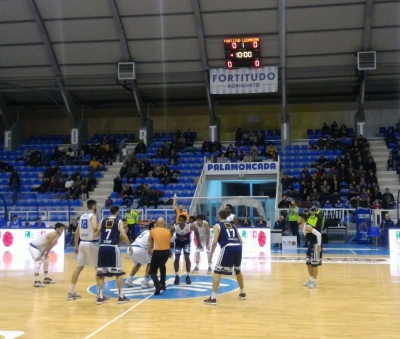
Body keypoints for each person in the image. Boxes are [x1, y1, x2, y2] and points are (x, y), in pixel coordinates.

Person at [204, 210, 246, 306]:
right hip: (238, 247)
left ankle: (213, 298)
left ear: (218, 216)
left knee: (217, 272)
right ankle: (242, 293)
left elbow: (214, 242)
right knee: (238, 270)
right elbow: (241, 240)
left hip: (227, 247)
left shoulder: (217, 225)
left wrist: (211, 254)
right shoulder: (233, 225)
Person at [96, 205, 132, 305]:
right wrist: (130, 246)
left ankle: (100, 297)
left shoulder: (103, 220)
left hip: (102, 247)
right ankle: (121, 297)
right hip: (112, 247)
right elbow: (123, 236)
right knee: (118, 273)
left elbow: (95, 234)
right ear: (118, 212)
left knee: (101, 274)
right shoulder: (119, 221)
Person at [67, 200, 100, 301]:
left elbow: (76, 232)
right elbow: (95, 228)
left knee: (78, 268)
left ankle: (71, 292)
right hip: (92, 243)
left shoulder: (82, 216)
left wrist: (76, 245)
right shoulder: (93, 216)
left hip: (82, 243)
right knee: (98, 268)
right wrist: (101, 225)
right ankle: (100, 294)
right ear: (94, 206)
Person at [29, 223, 65, 287]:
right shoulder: (53, 234)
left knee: (46, 260)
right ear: (57, 229)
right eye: (61, 229)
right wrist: (41, 256)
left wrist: (46, 254)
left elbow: (51, 245)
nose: (62, 231)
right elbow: (48, 245)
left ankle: (46, 278)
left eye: (63, 229)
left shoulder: (59, 234)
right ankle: (36, 281)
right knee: (38, 262)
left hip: (40, 248)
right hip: (34, 247)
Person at [170, 215, 201, 285]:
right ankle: (176, 275)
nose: (180, 221)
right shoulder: (174, 227)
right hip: (178, 243)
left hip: (186, 242)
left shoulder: (190, 226)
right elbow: (170, 234)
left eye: (181, 220)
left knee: (187, 257)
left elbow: (196, 231)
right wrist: (169, 244)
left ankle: (188, 275)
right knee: (177, 258)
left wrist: (198, 242)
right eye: (179, 220)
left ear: (185, 221)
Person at [125, 222, 155, 289]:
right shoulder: (151, 234)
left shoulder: (145, 232)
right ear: (152, 228)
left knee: (138, 264)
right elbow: (149, 249)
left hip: (131, 249)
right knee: (151, 262)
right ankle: (145, 282)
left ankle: (129, 279)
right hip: (139, 249)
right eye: (156, 226)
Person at [298, 213, 322, 289]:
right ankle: (311, 279)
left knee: (314, 264)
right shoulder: (302, 227)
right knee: (308, 263)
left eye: (298, 218)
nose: (297, 220)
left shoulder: (307, 226)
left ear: (302, 219)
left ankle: (314, 282)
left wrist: (319, 245)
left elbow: (319, 234)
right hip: (310, 246)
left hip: (315, 246)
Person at [148, 217, 172, 295]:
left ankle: (157, 285)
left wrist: (149, 251)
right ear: (164, 223)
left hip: (157, 252)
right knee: (162, 266)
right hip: (166, 252)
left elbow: (150, 243)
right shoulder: (168, 232)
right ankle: (163, 284)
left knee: (152, 271)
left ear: (157, 223)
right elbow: (168, 243)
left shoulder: (152, 231)